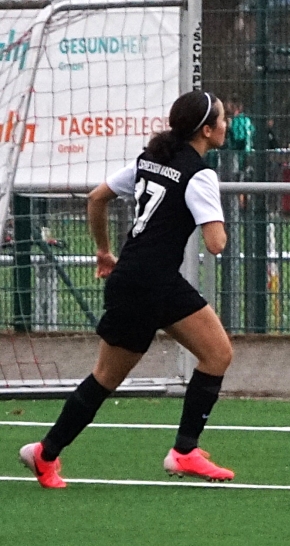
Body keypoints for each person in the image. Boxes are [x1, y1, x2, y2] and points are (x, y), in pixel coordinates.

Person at [19, 90, 237, 488]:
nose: (227, 124)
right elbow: (216, 244)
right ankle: (44, 453)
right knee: (105, 377)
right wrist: (215, 213)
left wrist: (103, 251)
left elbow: (96, 198)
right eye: (222, 119)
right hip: (144, 285)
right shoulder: (200, 174)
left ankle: (185, 451)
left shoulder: (151, 158)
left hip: (152, 279)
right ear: (206, 130)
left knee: (217, 353)